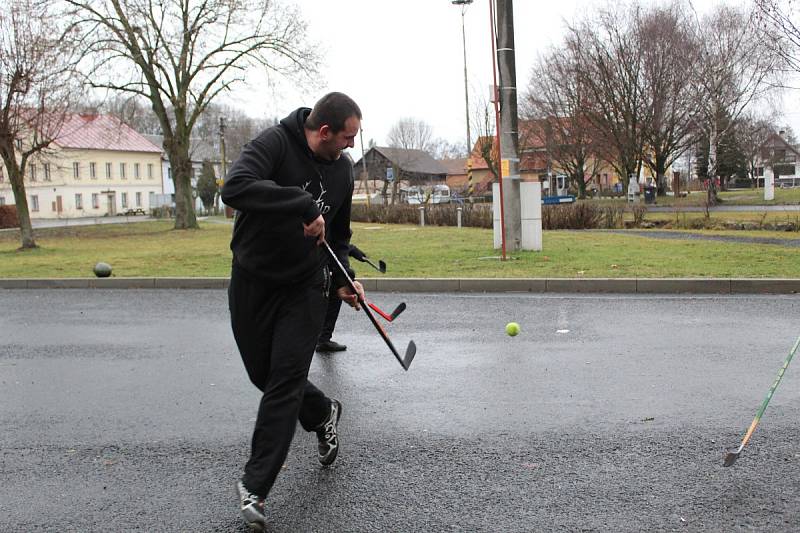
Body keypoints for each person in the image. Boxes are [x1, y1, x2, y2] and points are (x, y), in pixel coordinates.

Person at [220, 92, 365, 531]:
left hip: (305, 287)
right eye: (347, 138)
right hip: (253, 280)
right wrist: (302, 204)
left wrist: (344, 279)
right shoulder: (274, 144)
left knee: (283, 381)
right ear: (324, 132)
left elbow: (337, 236)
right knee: (263, 375)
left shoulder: (342, 172)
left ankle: (255, 486)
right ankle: (321, 411)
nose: (350, 147)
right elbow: (235, 188)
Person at [315, 244, 369, 353]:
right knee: (334, 293)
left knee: (335, 291)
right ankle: (323, 339)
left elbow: (337, 243)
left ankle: (323, 339)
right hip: (318, 266)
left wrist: (352, 250)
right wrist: (346, 277)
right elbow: (335, 245)